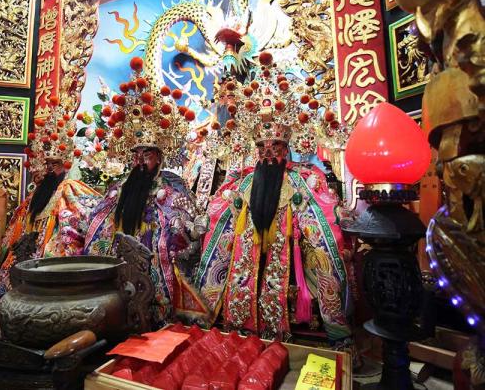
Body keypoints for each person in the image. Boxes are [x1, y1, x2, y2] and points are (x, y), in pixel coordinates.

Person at [192, 51, 353, 345]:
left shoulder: (304, 181)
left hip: (288, 272)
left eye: (275, 147)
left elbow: (320, 231)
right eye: (262, 148)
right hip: (246, 273)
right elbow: (220, 232)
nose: (268, 154)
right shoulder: (242, 184)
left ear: (286, 148)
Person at [82, 57, 205, 326]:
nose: (139, 161)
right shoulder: (118, 191)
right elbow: (97, 227)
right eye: (136, 155)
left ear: (159, 157)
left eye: (146, 155)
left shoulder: (173, 190)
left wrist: (172, 230)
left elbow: (188, 233)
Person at [0, 106, 100, 308]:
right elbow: (16, 228)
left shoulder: (69, 188)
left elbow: (81, 219)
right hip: (26, 252)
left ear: (65, 165)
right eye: (47, 165)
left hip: (50, 252)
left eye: (55, 165)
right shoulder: (35, 195)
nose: (50, 169)